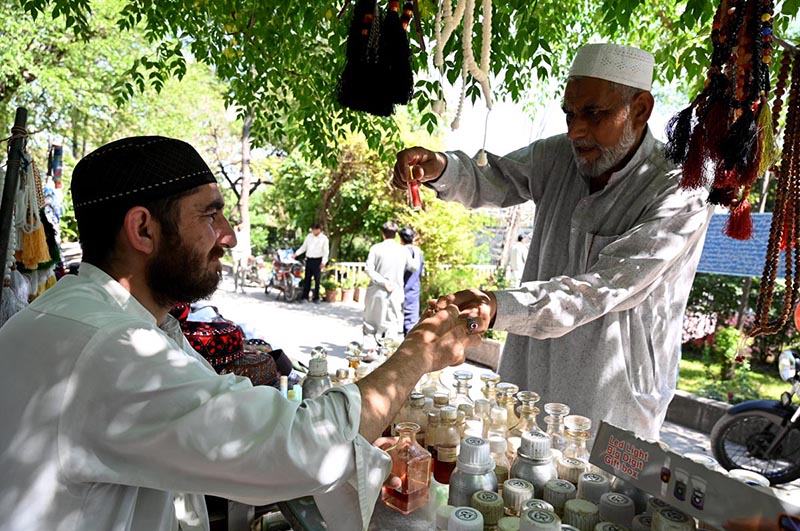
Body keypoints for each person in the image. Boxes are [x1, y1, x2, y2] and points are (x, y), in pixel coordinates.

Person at [0, 136, 483, 531]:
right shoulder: (111, 348)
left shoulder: (101, 318)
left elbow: (231, 424)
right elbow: (303, 448)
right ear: (143, 230)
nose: (228, 235)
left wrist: (356, 434)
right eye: (210, 215)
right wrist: (421, 351)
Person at [392, 43, 714, 441]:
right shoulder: (558, 156)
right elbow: (491, 177)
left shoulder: (681, 188)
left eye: (594, 114)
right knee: (511, 475)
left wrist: (496, 307)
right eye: (570, 114)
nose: (576, 130)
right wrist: (440, 168)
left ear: (641, 109)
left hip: (613, 395)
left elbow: (603, 288)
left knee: (600, 497)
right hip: (529, 371)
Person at [363, 221, 420, 348]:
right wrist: (415, 251)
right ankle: (388, 357)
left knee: (370, 327)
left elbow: (368, 269)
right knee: (392, 327)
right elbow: (414, 267)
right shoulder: (403, 251)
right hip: (395, 293)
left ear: (383, 234)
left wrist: (383, 282)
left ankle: (369, 353)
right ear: (396, 235)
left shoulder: (375, 248)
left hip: (376, 293)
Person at [292, 222, 329, 303]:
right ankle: (304, 297)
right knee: (307, 279)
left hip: (318, 260)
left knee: (317, 280)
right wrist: (296, 253)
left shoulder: (324, 239)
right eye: (312, 230)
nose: (313, 231)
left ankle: (316, 298)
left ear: (319, 230)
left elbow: (326, 252)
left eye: (314, 230)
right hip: (309, 260)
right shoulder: (309, 237)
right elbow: (304, 247)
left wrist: (324, 262)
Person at [399, 226, 424, 335]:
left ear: (400, 239)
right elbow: (421, 273)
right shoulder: (418, 253)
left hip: (397, 289)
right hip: (413, 290)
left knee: (389, 321)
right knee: (411, 322)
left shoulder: (398, 252)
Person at [230, 218, 251, 293]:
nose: (241, 226)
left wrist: (249, 254)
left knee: (243, 269)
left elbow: (248, 243)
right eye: (239, 225)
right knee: (235, 270)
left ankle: (242, 286)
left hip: (244, 252)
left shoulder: (245, 232)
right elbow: (231, 240)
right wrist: (234, 231)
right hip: (235, 251)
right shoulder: (234, 231)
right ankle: (236, 287)